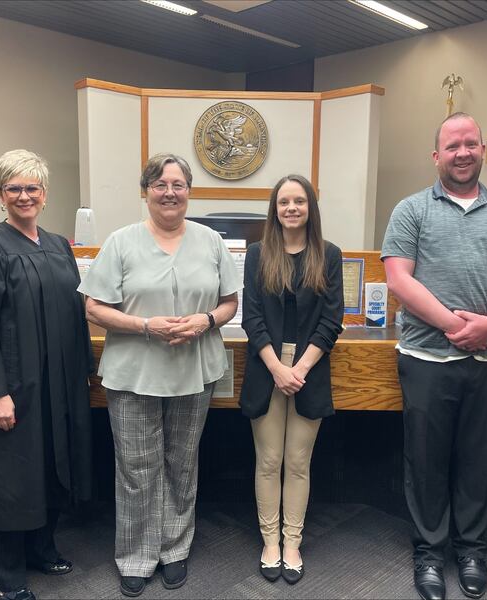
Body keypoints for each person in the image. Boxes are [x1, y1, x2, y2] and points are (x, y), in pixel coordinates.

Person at [381, 113, 487, 600]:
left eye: (471, 143)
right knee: (426, 463)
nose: (463, 152)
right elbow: (399, 278)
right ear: (437, 156)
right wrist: (455, 326)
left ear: (481, 150)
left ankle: (471, 551)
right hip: (427, 359)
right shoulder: (411, 210)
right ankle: (429, 556)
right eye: (453, 146)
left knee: (477, 460)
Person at [78, 153, 241, 598]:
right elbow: (94, 308)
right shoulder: (121, 242)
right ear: (146, 191)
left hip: (194, 371)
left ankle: (174, 549)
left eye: (178, 185)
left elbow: (230, 302)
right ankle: (136, 556)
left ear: (189, 191)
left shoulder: (211, 241)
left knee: (181, 463)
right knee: (137, 467)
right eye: (160, 185)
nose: (170, 193)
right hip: (133, 372)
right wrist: (146, 325)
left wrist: (206, 320)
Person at [0, 149, 94, 600]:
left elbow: (75, 313)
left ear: (45, 193)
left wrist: (83, 371)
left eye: (32, 187)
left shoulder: (58, 246)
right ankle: (1, 575)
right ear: (0, 195)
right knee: (11, 477)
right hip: (15, 387)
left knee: (50, 466)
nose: (24, 196)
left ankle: (41, 548)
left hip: (58, 385)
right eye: (13, 188)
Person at [240, 174, 344, 585]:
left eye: (299, 201)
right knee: (268, 461)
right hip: (267, 367)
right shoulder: (257, 254)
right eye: (284, 202)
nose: (291, 208)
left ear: (310, 207)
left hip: (309, 370)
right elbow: (252, 318)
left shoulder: (328, 255)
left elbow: (331, 320)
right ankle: (270, 542)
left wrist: (298, 369)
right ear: (275, 209)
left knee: (298, 463)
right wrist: (277, 367)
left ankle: (292, 544)